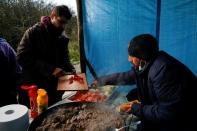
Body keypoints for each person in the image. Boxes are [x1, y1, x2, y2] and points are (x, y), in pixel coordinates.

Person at [92, 34, 197, 131]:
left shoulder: (163, 70)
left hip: (182, 121)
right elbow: (127, 77)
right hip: (165, 114)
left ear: (141, 57)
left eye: (131, 55)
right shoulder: (147, 63)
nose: (129, 59)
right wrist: (102, 80)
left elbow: (168, 113)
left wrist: (137, 108)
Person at [17, 5, 76, 106]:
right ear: (52, 16)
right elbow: (22, 57)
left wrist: (71, 70)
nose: (63, 26)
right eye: (61, 22)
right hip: (35, 88)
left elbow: (65, 59)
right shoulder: (34, 32)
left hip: (54, 90)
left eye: (65, 23)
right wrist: (51, 69)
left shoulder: (63, 38)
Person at [0, 37, 22, 107]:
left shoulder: (4, 46)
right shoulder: (5, 46)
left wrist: (15, 90)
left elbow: (17, 69)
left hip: (8, 92)